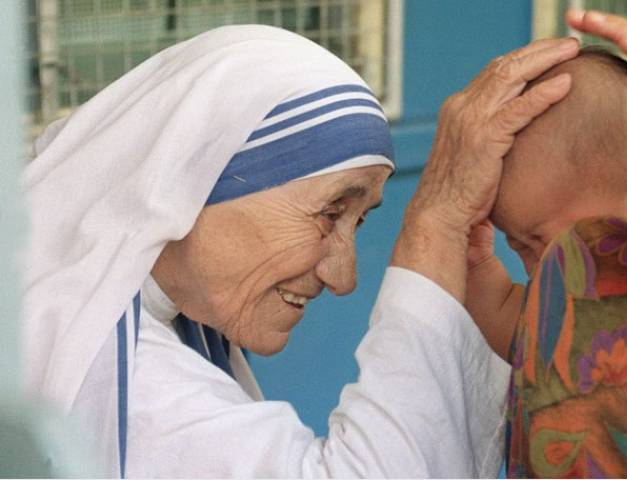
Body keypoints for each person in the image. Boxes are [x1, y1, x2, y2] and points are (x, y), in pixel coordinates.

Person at [22, 24, 578, 478]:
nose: (344, 277)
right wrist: (437, 219)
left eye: (361, 221)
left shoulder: (68, 316)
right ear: (191, 181)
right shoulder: (110, 380)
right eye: (330, 212)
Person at [462, 10, 627, 478]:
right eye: (517, 246)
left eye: (539, 241)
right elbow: (521, 330)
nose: (536, 269)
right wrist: (481, 271)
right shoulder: (571, 316)